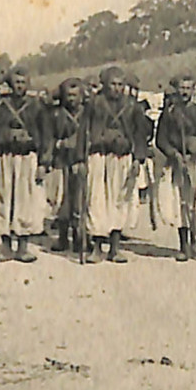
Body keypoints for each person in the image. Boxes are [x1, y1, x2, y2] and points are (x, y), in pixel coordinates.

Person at [0, 64, 51, 262]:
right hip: (4, 158)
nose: (19, 86)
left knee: (25, 201)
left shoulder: (37, 106)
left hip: (27, 159)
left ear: (28, 84)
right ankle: (3, 246)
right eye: (16, 82)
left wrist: (44, 163)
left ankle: (22, 246)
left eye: (23, 82)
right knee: (3, 199)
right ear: (10, 83)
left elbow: (47, 136)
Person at [82, 65, 151, 263]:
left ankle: (115, 247)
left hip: (122, 159)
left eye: (120, 84)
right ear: (104, 84)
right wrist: (80, 158)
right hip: (98, 157)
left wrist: (139, 159)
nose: (117, 88)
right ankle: (96, 247)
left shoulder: (133, 106)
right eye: (113, 84)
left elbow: (140, 135)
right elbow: (83, 131)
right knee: (97, 200)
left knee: (120, 201)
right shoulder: (93, 104)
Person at [154, 76, 196, 260]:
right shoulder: (169, 114)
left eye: (188, 88)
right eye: (182, 88)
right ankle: (183, 245)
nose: (185, 92)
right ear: (177, 90)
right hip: (179, 162)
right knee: (181, 203)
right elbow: (160, 139)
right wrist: (173, 154)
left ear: (193, 90)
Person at [46, 77, 88, 254]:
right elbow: (49, 136)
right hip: (62, 160)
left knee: (80, 200)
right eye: (68, 95)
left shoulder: (88, 113)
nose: (71, 99)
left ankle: (80, 237)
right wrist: (61, 144)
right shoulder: (56, 114)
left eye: (74, 95)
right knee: (63, 200)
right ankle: (63, 237)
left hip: (82, 160)